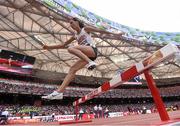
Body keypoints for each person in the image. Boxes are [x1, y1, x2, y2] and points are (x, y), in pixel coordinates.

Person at [42, 17, 125, 99]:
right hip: (87, 56)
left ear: (77, 22)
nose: (70, 25)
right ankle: (59, 92)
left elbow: (100, 31)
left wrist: (116, 34)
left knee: (71, 48)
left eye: (72, 22)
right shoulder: (75, 36)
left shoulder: (85, 29)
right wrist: (49, 47)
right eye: (69, 24)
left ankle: (90, 62)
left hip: (92, 50)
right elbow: (63, 45)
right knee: (72, 69)